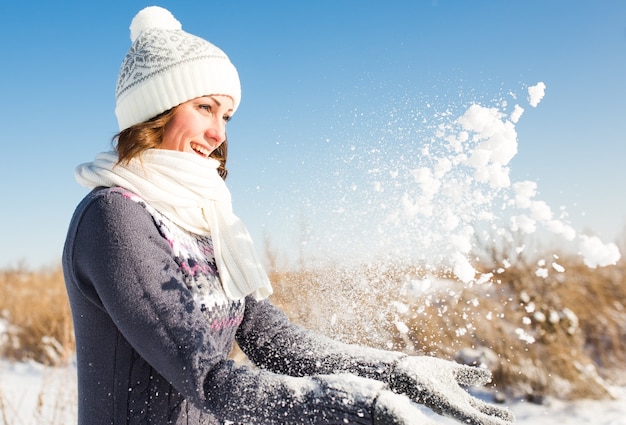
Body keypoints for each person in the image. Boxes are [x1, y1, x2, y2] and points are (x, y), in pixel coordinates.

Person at [62, 6, 515, 425]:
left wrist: (396, 370)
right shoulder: (114, 219)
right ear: (153, 111)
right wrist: (357, 408)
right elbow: (209, 378)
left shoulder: (202, 219)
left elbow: (271, 341)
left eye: (228, 116)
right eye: (204, 107)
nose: (218, 133)